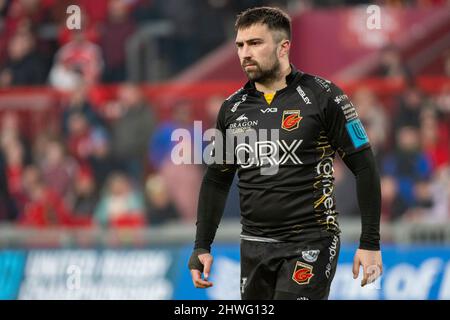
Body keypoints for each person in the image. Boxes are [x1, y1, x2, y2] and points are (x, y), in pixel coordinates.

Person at [188, 7, 383, 300]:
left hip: (311, 241)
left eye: (255, 43)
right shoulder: (232, 108)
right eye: (240, 45)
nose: (245, 53)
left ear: (283, 47)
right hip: (253, 245)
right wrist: (201, 245)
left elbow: (365, 167)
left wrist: (370, 242)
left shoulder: (325, 96)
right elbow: (217, 180)